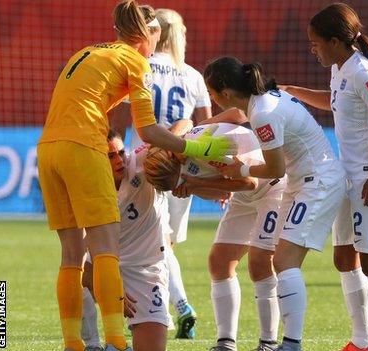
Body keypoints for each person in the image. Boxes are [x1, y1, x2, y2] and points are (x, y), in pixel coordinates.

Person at [36, 1, 232, 350]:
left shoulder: (88, 51)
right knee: (104, 249)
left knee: (70, 255)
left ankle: (74, 344)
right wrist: (194, 149)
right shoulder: (135, 61)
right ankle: (115, 340)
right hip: (84, 146)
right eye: (156, 35)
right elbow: (150, 130)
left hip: (48, 148)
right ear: (148, 34)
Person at [281, 4, 368, 351]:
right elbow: (334, 102)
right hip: (348, 177)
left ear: (335, 41)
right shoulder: (340, 69)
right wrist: (292, 90)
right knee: (343, 258)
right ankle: (360, 339)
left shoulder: (364, 72)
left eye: (315, 43)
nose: (312, 49)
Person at [204, 57, 347, 351]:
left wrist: (240, 169)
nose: (211, 99)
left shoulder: (263, 113)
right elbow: (236, 116)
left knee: (282, 261)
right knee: (275, 261)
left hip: (316, 182)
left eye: (212, 93)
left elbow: (275, 169)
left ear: (226, 93)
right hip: (301, 184)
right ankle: (270, 342)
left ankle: (289, 343)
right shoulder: (260, 101)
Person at [110, 7, 213, 339]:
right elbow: (206, 125)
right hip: (179, 164)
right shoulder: (192, 74)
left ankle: (173, 307)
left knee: (144, 244)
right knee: (163, 244)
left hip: (143, 164)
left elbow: (123, 121)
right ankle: (170, 307)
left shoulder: (140, 67)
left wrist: (120, 156)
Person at [143, 123, 287, 351]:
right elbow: (223, 192)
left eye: (173, 182)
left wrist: (195, 183)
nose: (175, 186)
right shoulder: (179, 154)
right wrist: (190, 188)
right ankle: (226, 343)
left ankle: (268, 343)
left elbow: (249, 182)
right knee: (220, 262)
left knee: (259, 263)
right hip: (247, 195)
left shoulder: (204, 149)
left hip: (272, 187)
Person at [81, 130, 173, 351]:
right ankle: (93, 345)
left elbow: (185, 125)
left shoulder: (140, 162)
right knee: (74, 273)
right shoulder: (87, 187)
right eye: (110, 156)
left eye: (121, 152)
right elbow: (84, 243)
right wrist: (110, 289)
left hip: (147, 270)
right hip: (108, 264)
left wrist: (165, 146)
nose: (119, 160)